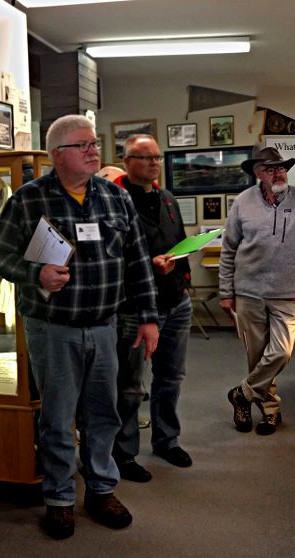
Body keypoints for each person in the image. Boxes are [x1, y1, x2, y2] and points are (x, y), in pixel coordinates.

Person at [0, 115, 158, 540]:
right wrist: (35, 275)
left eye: (93, 143)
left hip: (105, 326)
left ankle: (101, 490)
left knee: (104, 414)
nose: (92, 151)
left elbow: (137, 261)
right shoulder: (29, 199)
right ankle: (60, 498)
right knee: (59, 418)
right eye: (82, 145)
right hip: (52, 328)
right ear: (57, 155)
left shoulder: (115, 199)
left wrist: (150, 317)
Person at [221, 147, 295, 435]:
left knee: (281, 353)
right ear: (258, 173)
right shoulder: (243, 202)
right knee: (257, 357)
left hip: (288, 292)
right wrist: (226, 291)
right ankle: (270, 412)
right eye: (270, 169)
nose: (278, 173)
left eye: (281, 167)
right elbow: (229, 249)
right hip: (249, 293)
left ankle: (242, 394)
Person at [110, 134, 194, 483]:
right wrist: (150, 264)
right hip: (135, 308)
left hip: (176, 302)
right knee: (129, 384)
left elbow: (181, 240)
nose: (155, 162)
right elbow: (109, 256)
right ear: (127, 161)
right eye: (146, 158)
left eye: (158, 156)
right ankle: (124, 452)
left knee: (170, 377)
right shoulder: (114, 201)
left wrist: (181, 270)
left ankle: (166, 440)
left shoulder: (168, 199)